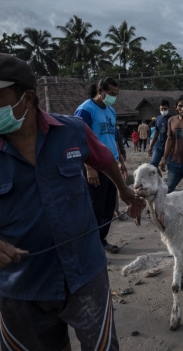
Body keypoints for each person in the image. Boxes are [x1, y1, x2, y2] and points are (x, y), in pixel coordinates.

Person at [0, 53, 141, 350]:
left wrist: (124, 190)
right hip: (23, 287)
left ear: (27, 98)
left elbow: (105, 159)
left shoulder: (72, 131)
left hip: (86, 274)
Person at [75, 77, 127, 254]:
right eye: (111, 94)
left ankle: (101, 240)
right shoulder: (85, 110)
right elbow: (80, 140)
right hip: (94, 167)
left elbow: (112, 137)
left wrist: (120, 162)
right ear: (100, 91)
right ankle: (90, 246)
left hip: (111, 165)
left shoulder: (111, 111)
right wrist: (89, 168)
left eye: (116, 94)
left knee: (108, 207)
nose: (114, 97)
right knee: (94, 208)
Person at [148, 100, 172, 168]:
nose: (163, 110)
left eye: (165, 109)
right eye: (162, 109)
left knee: (170, 166)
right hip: (158, 146)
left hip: (169, 147)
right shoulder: (158, 118)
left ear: (168, 108)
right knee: (153, 164)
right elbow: (156, 133)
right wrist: (151, 146)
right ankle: (157, 176)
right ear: (159, 108)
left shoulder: (172, 119)